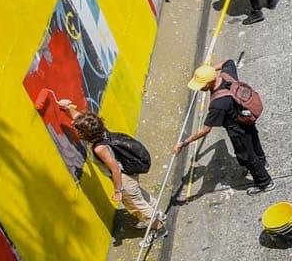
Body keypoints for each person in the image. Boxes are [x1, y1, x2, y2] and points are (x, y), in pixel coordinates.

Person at [63, 101, 164, 235]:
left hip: (123, 179)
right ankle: (159, 214)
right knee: (138, 196)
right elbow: (80, 119)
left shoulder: (99, 148)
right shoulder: (99, 130)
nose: (73, 127)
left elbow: (115, 169)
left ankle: (158, 228)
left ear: (84, 133)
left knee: (135, 204)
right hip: (128, 175)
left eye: (76, 129)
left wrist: (118, 190)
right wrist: (65, 107)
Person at [177, 57, 272, 189]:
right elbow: (229, 62)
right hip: (246, 116)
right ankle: (263, 163)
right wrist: (211, 69)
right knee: (254, 142)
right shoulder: (227, 74)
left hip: (237, 129)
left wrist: (184, 143)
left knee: (247, 157)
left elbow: (205, 130)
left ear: (210, 82)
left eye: (202, 85)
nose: (200, 89)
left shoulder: (218, 104)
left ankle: (265, 182)